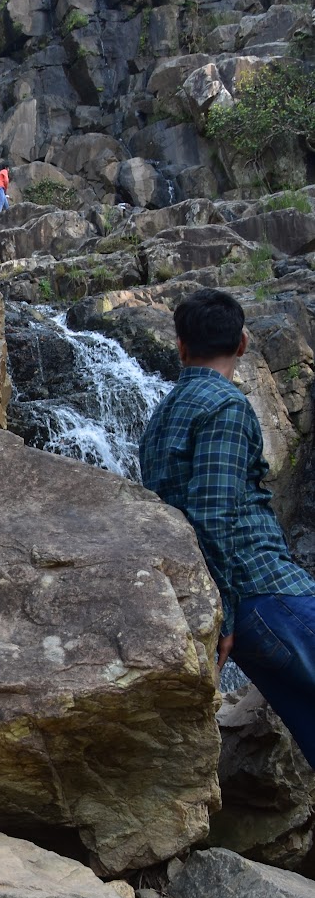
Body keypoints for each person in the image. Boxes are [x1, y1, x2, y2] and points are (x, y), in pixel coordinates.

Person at [139, 287, 315, 767]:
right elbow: (211, 515)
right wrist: (226, 619)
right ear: (242, 343)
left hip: (242, 615)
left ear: (180, 346)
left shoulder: (160, 418)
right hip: (264, 594)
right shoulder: (225, 406)